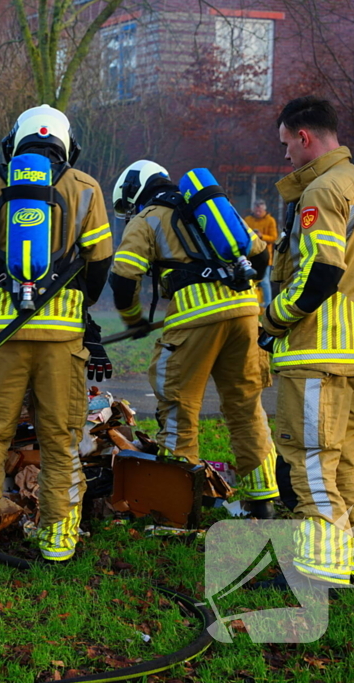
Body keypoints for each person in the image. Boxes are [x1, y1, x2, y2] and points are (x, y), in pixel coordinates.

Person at [0, 104, 113, 563]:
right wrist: (78, 308)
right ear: (68, 146)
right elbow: (99, 262)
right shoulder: (86, 189)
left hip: (2, 335)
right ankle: (59, 545)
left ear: (13, 142)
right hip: (62, 341)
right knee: (60, 440)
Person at [260, 96, 354, 588]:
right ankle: (352, 561)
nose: (285, 155)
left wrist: (272, 321)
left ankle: (317, 571)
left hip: (316, 351)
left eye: (286, 143)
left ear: (304, 136)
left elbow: (322, 270)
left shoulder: (321, 190)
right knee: (342, 461)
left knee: (308, 460)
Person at [109, 160, 279, 518]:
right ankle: (263, 503)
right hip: (247, 312)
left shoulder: (148, 218)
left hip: (194, 319)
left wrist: (134, 319)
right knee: (246, 407)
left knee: (178, 408)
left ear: (135, 192)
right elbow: (262, 256)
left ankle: (176, 508)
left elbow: (123, 278)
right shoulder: (212, 210)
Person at [243, 200, 278, 305]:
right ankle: (250, 302)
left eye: (260, 210)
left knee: (264, 281)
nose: (258, 211)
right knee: (248, 280)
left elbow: (274, 237)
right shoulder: (248, 220)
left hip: (264, 257)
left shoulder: (270, 220)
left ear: (264, 210)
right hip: (249, 256)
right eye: (256, 209)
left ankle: (267, 304)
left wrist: (261, 236)